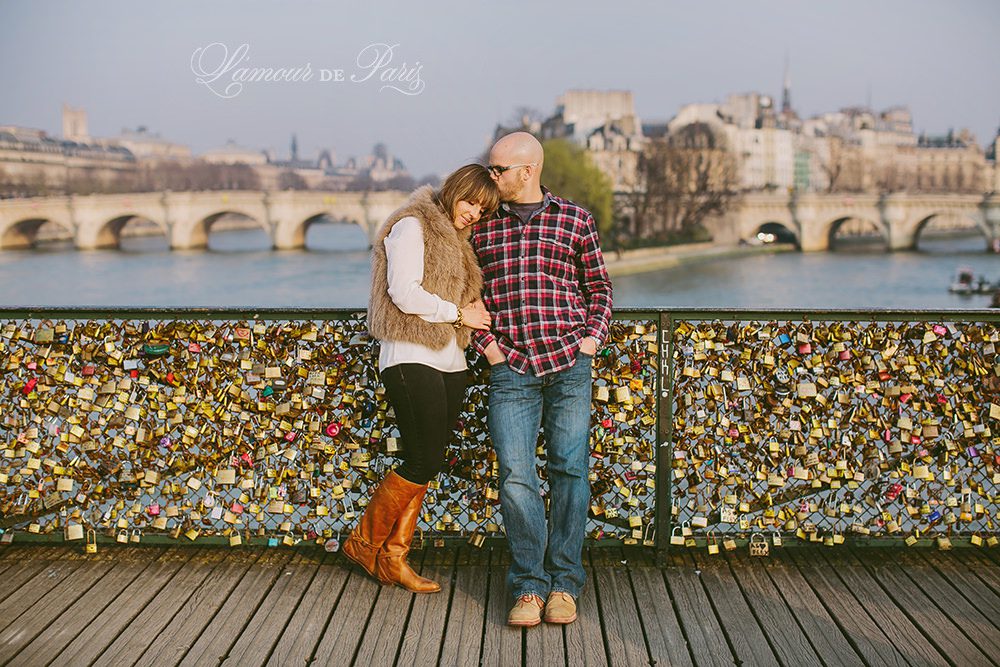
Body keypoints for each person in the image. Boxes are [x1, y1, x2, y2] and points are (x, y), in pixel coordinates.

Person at [471, 132, 613, 626]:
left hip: (569, 363)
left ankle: (565, 582)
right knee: (515, 476)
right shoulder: (481, 226)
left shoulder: (575, 219)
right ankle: (529, 586)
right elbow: (466, 300)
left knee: (570, 470)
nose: (491, 177)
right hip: (510, 368)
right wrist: (487, 349)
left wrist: (590, 339)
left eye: (498, 170)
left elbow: (598, 286)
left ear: (527, 170)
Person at [344, 164, 499, 592]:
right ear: (455, 190)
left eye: (484, 211)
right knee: (423, 460)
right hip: (411, 355)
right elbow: (403, 290)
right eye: (471, 202)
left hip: (450, 361)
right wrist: (457, 313)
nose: (474, 214)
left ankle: (394, 557)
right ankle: (365, 542)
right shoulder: (412, 224)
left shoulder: (460, 242)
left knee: (423, 458)